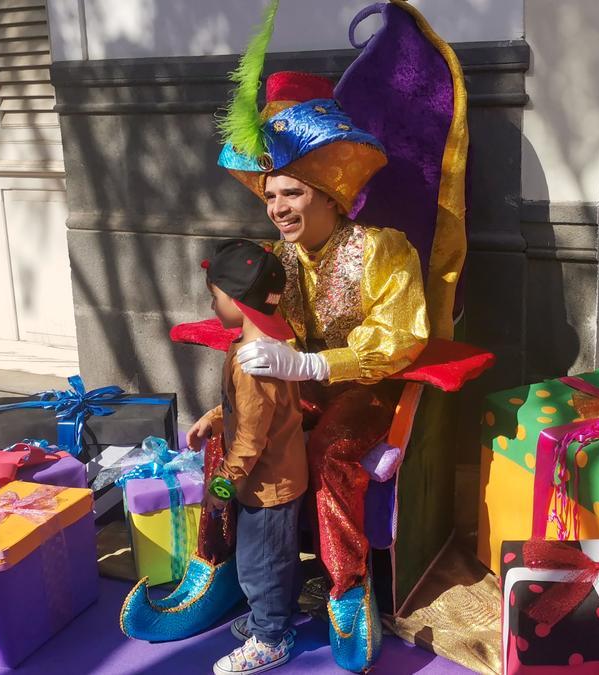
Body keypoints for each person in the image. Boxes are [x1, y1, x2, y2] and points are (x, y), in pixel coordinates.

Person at [216, 48, 428, 673]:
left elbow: (400, 340)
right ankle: (224, 577)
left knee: (328, 451)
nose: (278, 207)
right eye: (270, 195)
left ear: (332, 195)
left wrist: (312, 368)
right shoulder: (268, 256)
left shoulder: (383, 249)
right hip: (291, 390)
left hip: (365, 391)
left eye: (292, 193)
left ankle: (346, 591)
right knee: (222, 444)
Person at [187, 239, 307, 675]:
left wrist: (220, 488)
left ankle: (271, 638)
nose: (212, 305)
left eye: (215, 296)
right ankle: (270, 620)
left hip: (265, 484)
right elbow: (254, 412)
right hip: (280, 476)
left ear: (237, 300)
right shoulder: (270, 344)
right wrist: (215, 418)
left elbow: (251, 442)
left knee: (261, 566)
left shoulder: (252, 363)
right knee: (277, 559)